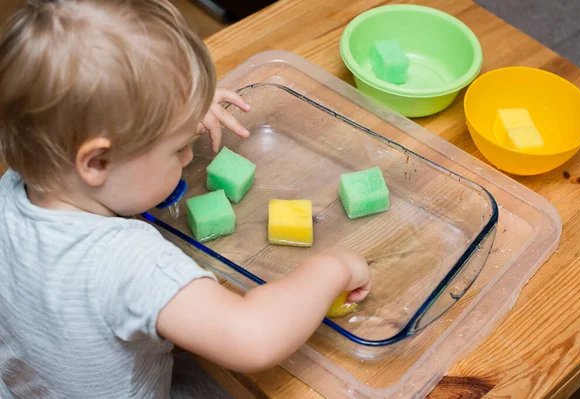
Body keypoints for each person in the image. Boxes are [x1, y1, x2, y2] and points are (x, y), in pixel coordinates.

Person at [0, 0, 372, 398]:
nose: (190, 156)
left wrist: (174, 115)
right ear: (96, 161)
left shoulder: (17, 186)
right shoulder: (131, 262)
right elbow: (254, 336)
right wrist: (333, 268)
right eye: (177, 148)